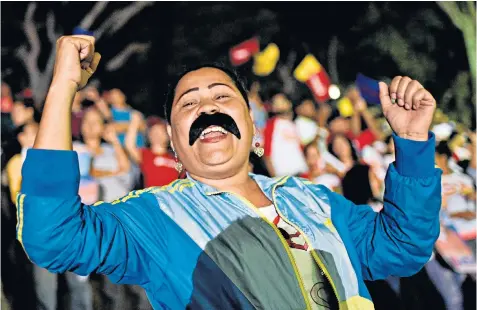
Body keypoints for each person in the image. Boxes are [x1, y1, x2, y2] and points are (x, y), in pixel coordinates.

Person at [18, 35, 441, 310]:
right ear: (174, 141)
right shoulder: (155, 218)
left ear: (253, 126)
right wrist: (61, 90)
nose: (207, 107)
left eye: (222, 96)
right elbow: (52, 236)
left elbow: (401, 247)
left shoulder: (312, 200)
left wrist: (414, 147)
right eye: (189, 104)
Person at [124, 113, 180, 187]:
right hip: (153, 197)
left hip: (173, 197)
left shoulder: (176, 158)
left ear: (168, 136)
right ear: (149, 136)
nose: (157, 134)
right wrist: (134, 123)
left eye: (161, 132)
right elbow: (129, 145)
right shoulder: (145, 154)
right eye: (153, 131)